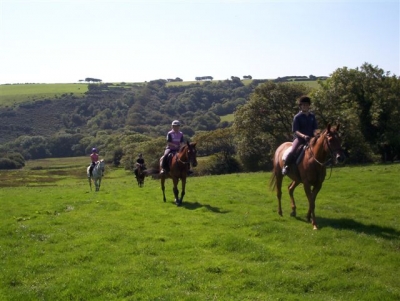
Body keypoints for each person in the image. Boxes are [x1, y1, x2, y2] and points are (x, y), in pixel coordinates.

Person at [282, 95, 318, 175]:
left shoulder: (312, 116)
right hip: (300, 139)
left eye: (306, 105)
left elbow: (315, 128)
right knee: (293, 151)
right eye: (303, 105)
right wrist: (304, 136)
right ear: (300, 106)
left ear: (309, 106)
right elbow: (296, 130)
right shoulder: (297, 117)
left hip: (311, 138)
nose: (305, 106)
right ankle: (286, 166)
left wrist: (316, 134)